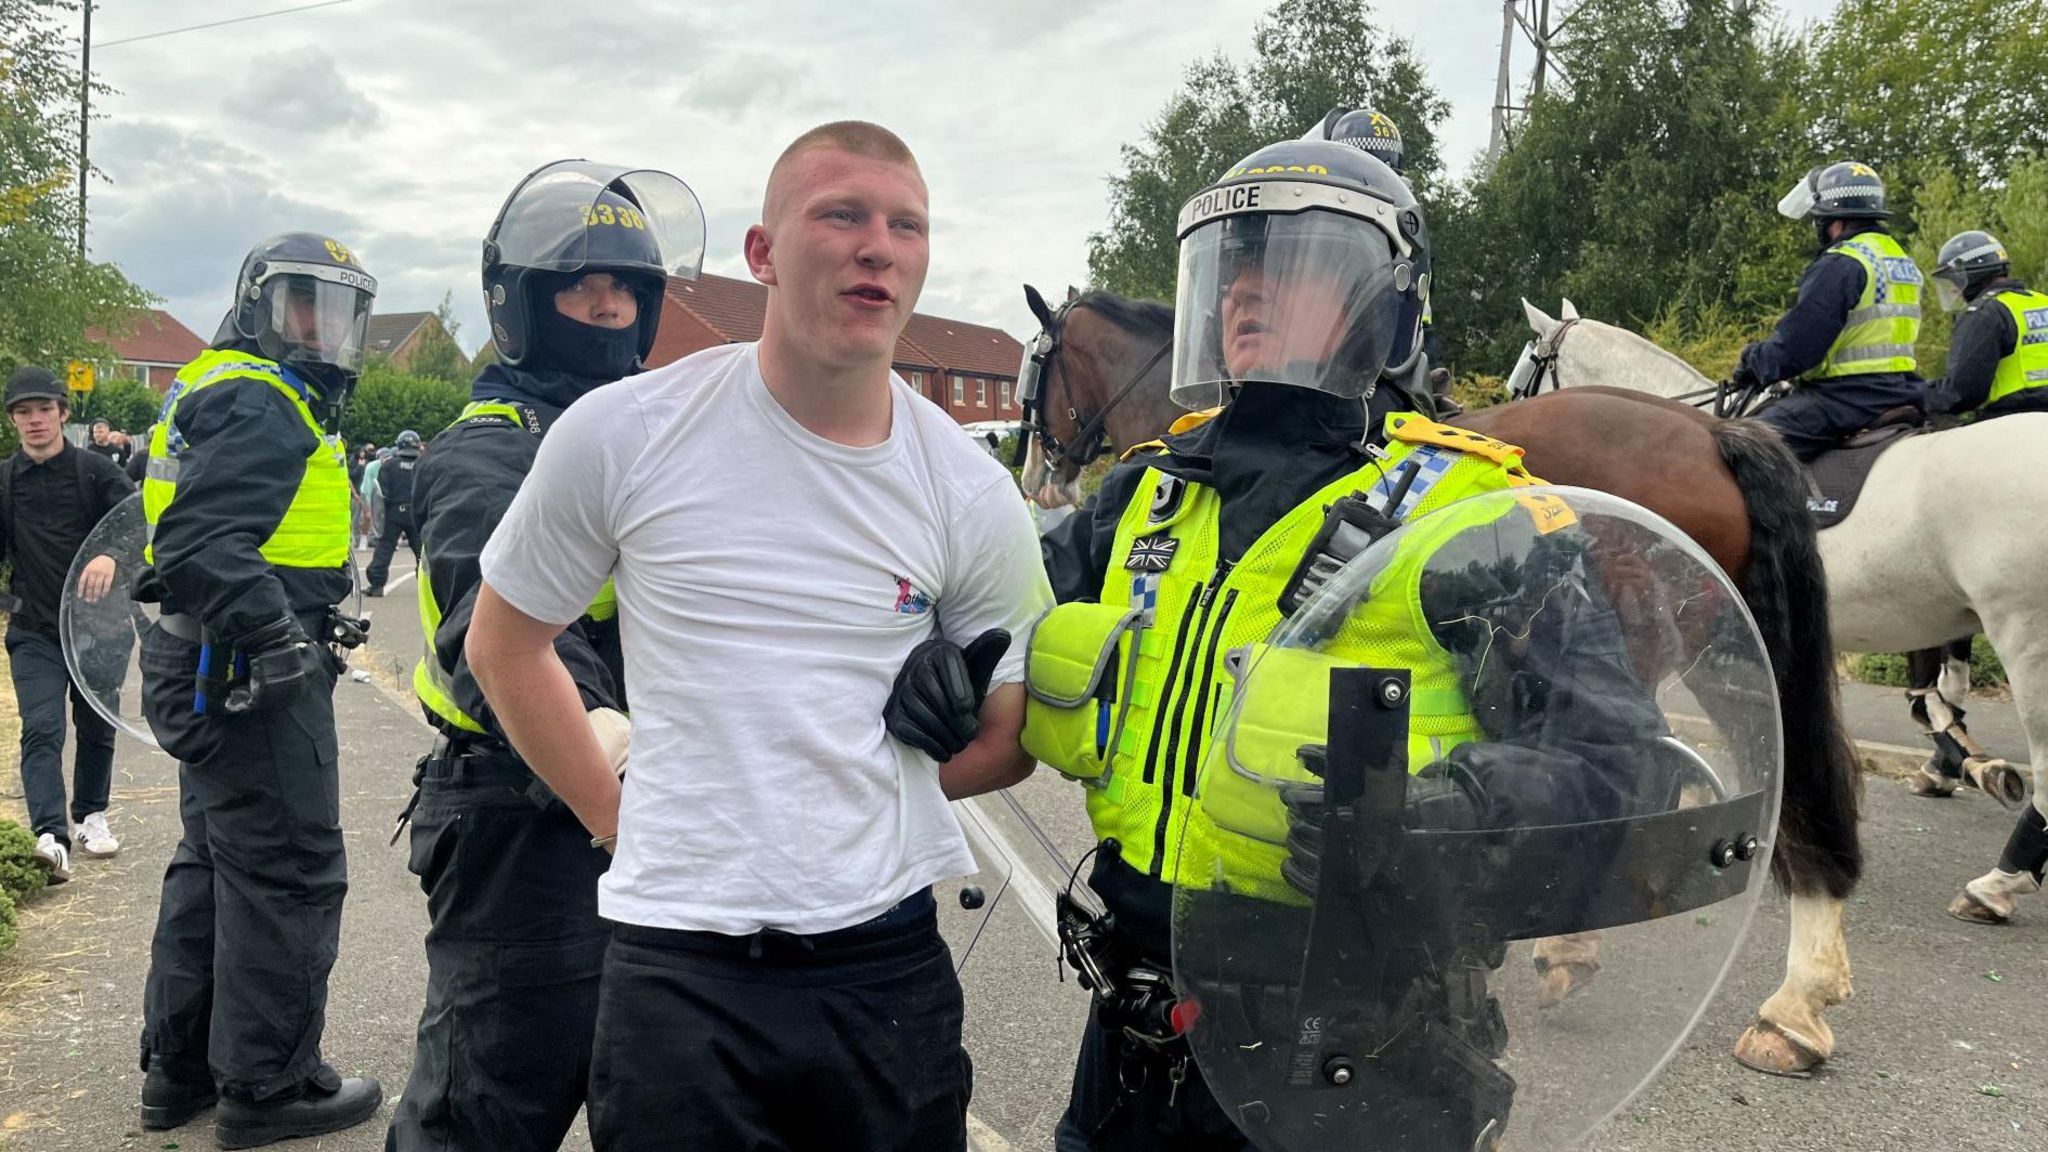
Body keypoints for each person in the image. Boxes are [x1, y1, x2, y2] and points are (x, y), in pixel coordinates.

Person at [1029, 136, 1672, 1151]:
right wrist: (946, 650)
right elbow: (993, 612)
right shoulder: (1140, 496)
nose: (1246, 289)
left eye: (1290, 265)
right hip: (1133, 1030)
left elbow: (1619, 768)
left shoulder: (1477, 516)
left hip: (1353, 1044)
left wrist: (1444, 818)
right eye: (1233, 265)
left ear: (1384, 304)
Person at [464, 122, 1049, 1151]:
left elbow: (1013, 732)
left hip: (884, 970)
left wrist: (894, 772)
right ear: (762, 253)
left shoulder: (967, 486)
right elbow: (505, 646)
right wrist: (615, 816)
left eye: (904, 224)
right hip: (678, 971)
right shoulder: (622, 433)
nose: (877, 244)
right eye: (841, 214)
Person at [385, 159, 704, 1152]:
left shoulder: (652, 433)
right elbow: (503, 633)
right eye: (580, 286)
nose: (606, 310)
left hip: (655, 813)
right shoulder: (488, 451)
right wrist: (608, 753)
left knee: (652, 1094)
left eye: (626, 289)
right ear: (521, 301)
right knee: (486, 1105)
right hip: (527, 820)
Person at [133, 232, 383, 1146]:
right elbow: (202, 545)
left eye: (341, 311)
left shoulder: (212, 384)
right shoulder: (266, 399)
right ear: (257, 304)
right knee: (288, 867)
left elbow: (177, 534)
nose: (322, 330)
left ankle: (181, 1068)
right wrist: (275, 632)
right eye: (303, 304)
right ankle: (269, 1085)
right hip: (249, 667)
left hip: (199, 660)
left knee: (214, 860)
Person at [2, 366, 135, 880]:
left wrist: (111, 556)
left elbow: (139, 520)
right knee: (41, 727)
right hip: (33, 628)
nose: (34, 420)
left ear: (62, 411)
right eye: (22, 412)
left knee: (97, 724)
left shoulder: (96, 472)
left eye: (42, 409)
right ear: (14, 420)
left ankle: (91, 816)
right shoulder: (5, 480)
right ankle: (51, 836)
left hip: (99, 629)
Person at [1734, 161, 1928, 461]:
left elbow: (1798, 348)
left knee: (1741, 446)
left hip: (1845, 399)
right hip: (1903, 388)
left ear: (1830, 220)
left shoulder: (1841, 263)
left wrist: (1753, 361)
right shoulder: (1898, 258)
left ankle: (1785, 511)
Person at [1923, 230, 2048, 422]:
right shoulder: (2042, 301)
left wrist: (1920, 398)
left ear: (1972, 274)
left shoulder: (1984, 313)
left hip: (2012, 417)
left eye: (1955, 279)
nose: (1953, 288)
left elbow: (1965, 391)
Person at [362, 429, 421, 596]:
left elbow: (381, 494)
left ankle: (377, 585)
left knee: (385, 547)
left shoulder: (389, 465)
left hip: (394, 513)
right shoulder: (424, 464)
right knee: (422, 551)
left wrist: (381, 517)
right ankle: (431, 586)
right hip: (416, 514)